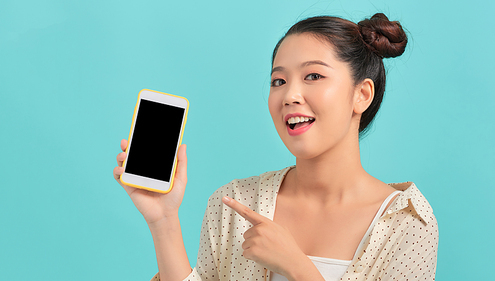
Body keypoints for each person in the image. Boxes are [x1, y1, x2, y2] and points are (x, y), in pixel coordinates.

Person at [113, 13, 438, 281]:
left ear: (361, 94)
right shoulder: (236, 202)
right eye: (278, 81)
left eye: (313, 76)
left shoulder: (406, 221)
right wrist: (163, 220)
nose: (290, 95)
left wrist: (297, 267)